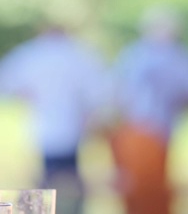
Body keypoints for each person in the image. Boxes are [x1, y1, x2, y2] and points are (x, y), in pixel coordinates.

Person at [108, 5, 188, 214]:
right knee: (154, 200)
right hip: (155, 136)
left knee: (135, 199)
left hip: (131, 134)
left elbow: (114, 98)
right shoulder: (178, 58)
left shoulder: (133, 54)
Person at [0, 25, 110, 214]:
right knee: (68, 182)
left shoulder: (31, 54)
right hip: (69, 129)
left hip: (43, 130)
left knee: (46, 183)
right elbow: (100, 90)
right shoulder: (78, 54)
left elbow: (8, 81)